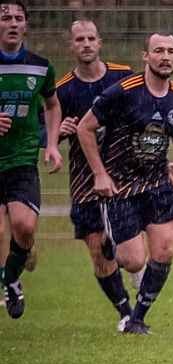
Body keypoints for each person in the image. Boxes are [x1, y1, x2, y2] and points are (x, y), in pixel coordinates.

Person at [77, 32, 173, 335]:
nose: (165, 57)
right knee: (133, 262)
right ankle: (112, 246)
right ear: (145, 56)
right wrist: (99, 174)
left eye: (171, 51)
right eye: (158, 51)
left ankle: (137, 319)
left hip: (158, 185)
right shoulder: (123, 91)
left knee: (166, 251)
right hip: (121, 188)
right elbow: (85, 128)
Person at [56, 19, 142, 331]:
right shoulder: (63, 88)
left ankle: (130, 256)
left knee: (129, 254)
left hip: (124, 174)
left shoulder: (123, 77)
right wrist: (59, 131)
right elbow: (44, 127)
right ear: (71, 45)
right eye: (80, 39)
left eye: (91, 38)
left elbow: (144, 108)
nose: (86, 44)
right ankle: (125, 313)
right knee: (97, 251)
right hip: (84, 180)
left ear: (100, 42)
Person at [0, 0, 63, 319]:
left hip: (21, 159)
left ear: (26, 25)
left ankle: (10, 278)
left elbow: (52, 105)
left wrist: (51, 144)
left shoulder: (40, 66)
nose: (12, 23)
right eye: (5, 17)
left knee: (24, 227)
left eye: (18, 18)